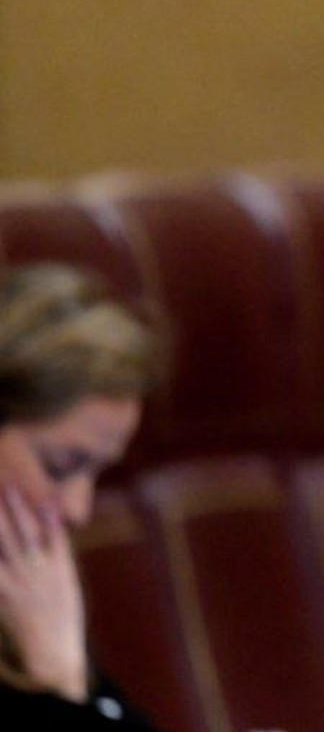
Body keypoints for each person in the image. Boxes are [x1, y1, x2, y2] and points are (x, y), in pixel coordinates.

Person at [0, 262, 164, 730]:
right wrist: (56, 676)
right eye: (59, 467)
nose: (78, 508)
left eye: (96, 474)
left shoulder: (23, 600)